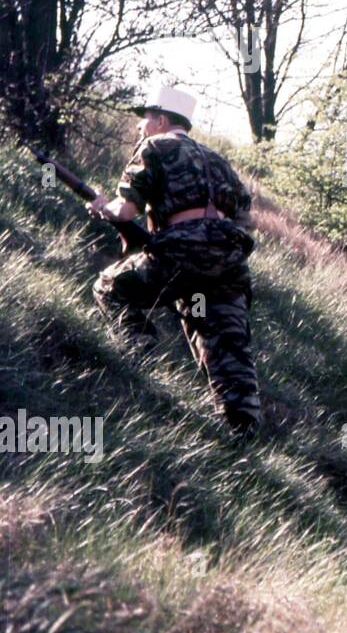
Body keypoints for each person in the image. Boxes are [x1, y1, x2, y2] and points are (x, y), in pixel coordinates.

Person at [88, 85, 261, 436]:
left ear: (162, 120)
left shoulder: (154, 146)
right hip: (229, 263)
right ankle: (243, 432)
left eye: (145, 120)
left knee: (108, 287)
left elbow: (127, 210)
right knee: (227, 346)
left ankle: (141, 361)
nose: (140, 127)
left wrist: (101, 206)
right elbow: (245, 218)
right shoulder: (219, 160)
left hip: (182, 253)